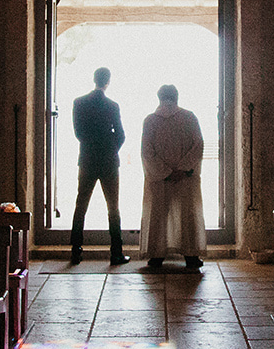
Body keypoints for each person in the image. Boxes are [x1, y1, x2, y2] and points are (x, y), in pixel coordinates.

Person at [139, 84, 206, 270]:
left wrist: (165, 172)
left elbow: (147, 152)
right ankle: (191, 255)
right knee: (187, 214)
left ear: (159, 98)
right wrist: (183, 169)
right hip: (185, 177)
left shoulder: (150, 121)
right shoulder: (189, 117)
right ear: (176, 97)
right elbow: (198, 145)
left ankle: (156, 255)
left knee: (158, 215)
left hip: (160, 178)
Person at [70, 66, 128, 265]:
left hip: (87, 158)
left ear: (94, 79)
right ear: (107, 81)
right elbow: (121, 135)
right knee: (113, 207)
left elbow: (78, 133)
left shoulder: (79, 103)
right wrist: (111, 148)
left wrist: (91, 145)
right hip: (108, 161)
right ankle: (116, 252)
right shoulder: (112, 106)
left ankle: (76, 250)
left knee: (81, 205)